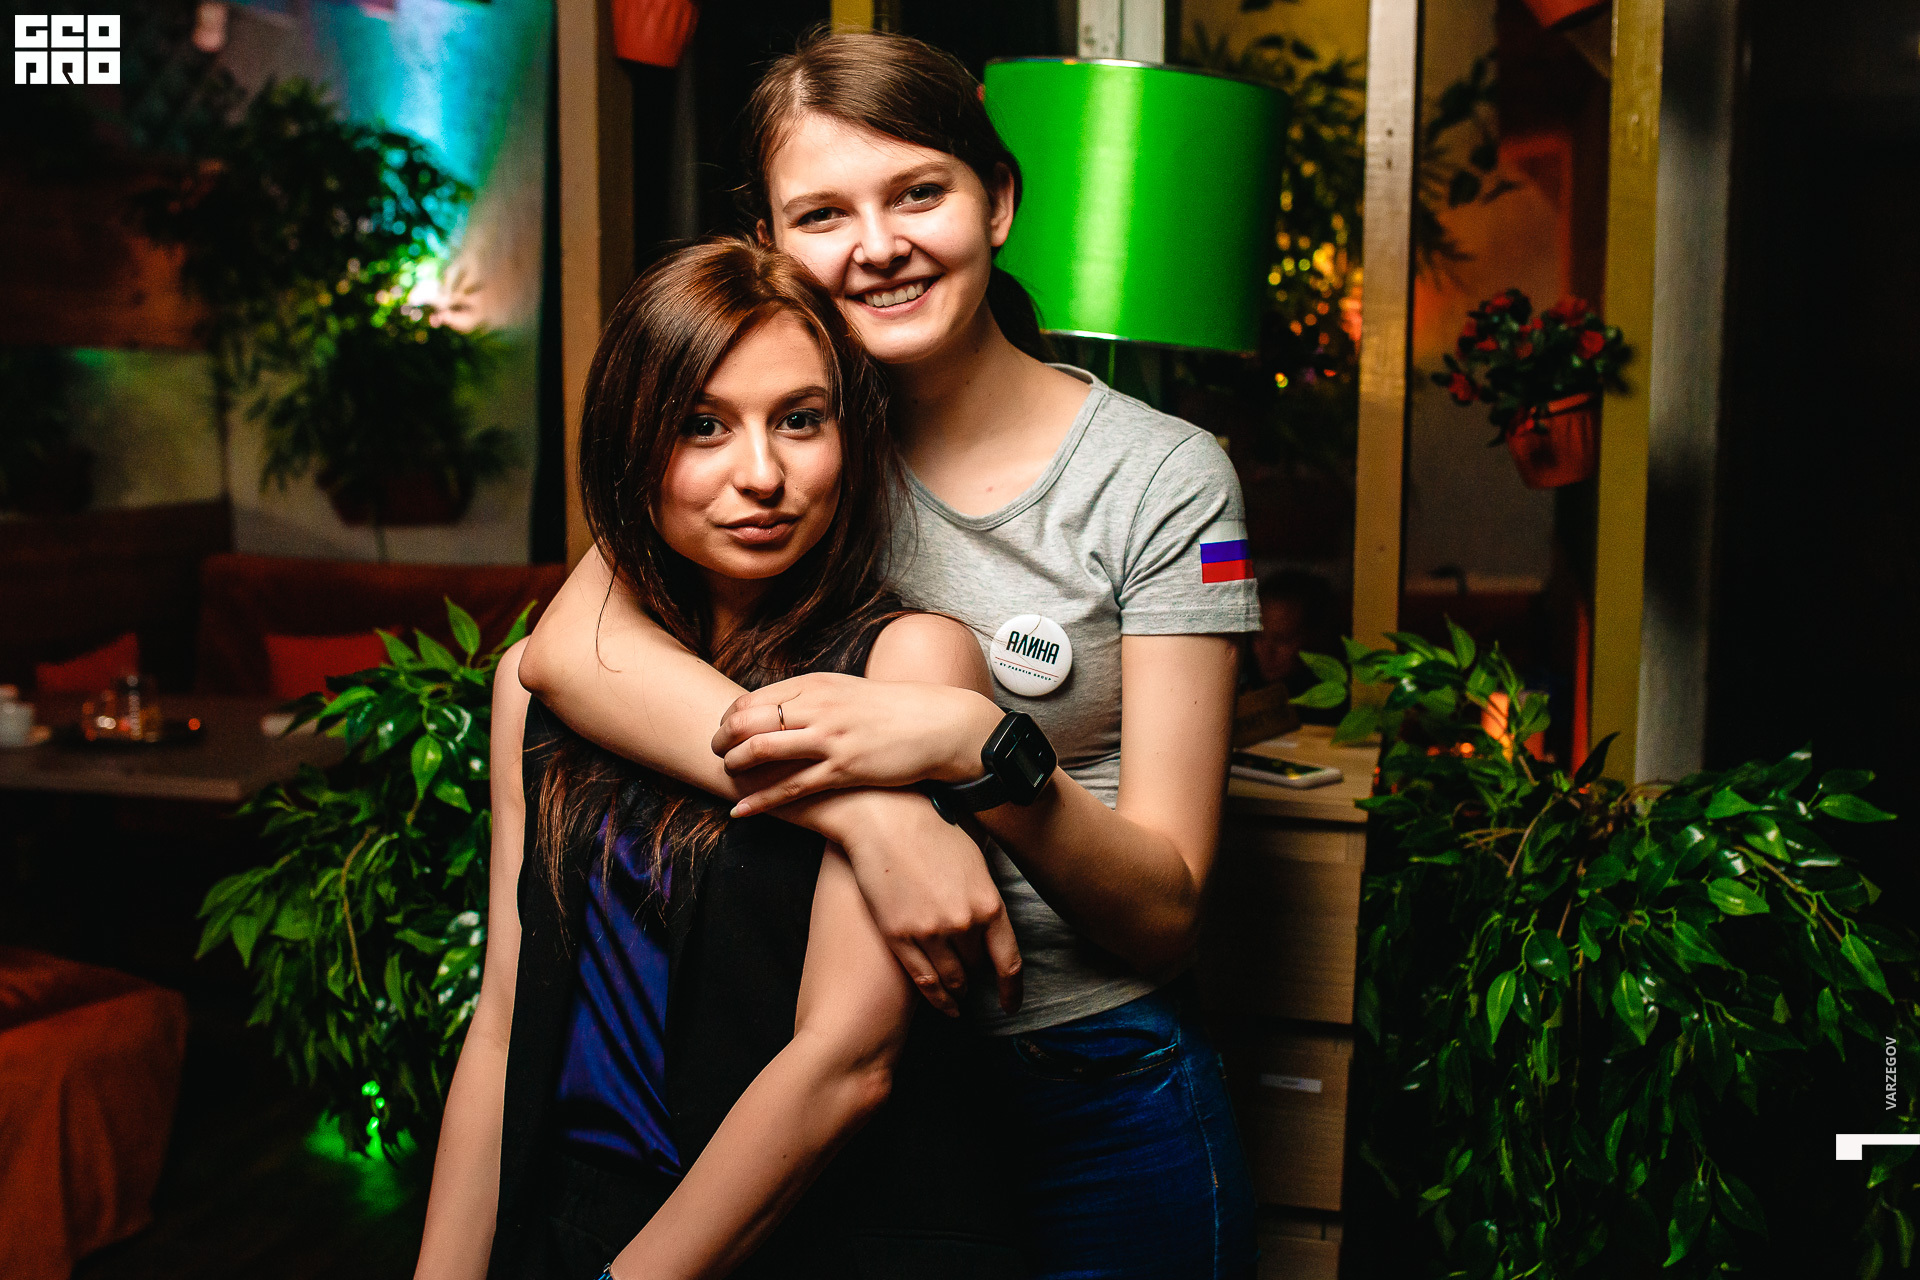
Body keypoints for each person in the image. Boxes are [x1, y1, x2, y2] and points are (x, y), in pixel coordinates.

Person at [519, 30, 1260, 1279]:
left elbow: (1167, 913)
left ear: (998, 201)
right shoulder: (787, 452)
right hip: (839, 1090)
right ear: (769, 239)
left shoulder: (1163, 479)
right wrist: (878, 814)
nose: (878, 245)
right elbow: (572, 649)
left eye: (919, 192)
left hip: (1090, 1081)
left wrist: (974, 745)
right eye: (824, 213)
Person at [413, 237, 1020, 1280]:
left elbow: (846, 1064)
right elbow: (507, 1017)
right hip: (561, 1212)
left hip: (785, 1239)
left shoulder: (910, 659)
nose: (762, 475)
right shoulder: (538, 683)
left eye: (800, 419)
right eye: (702, 425)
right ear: (631, 442)